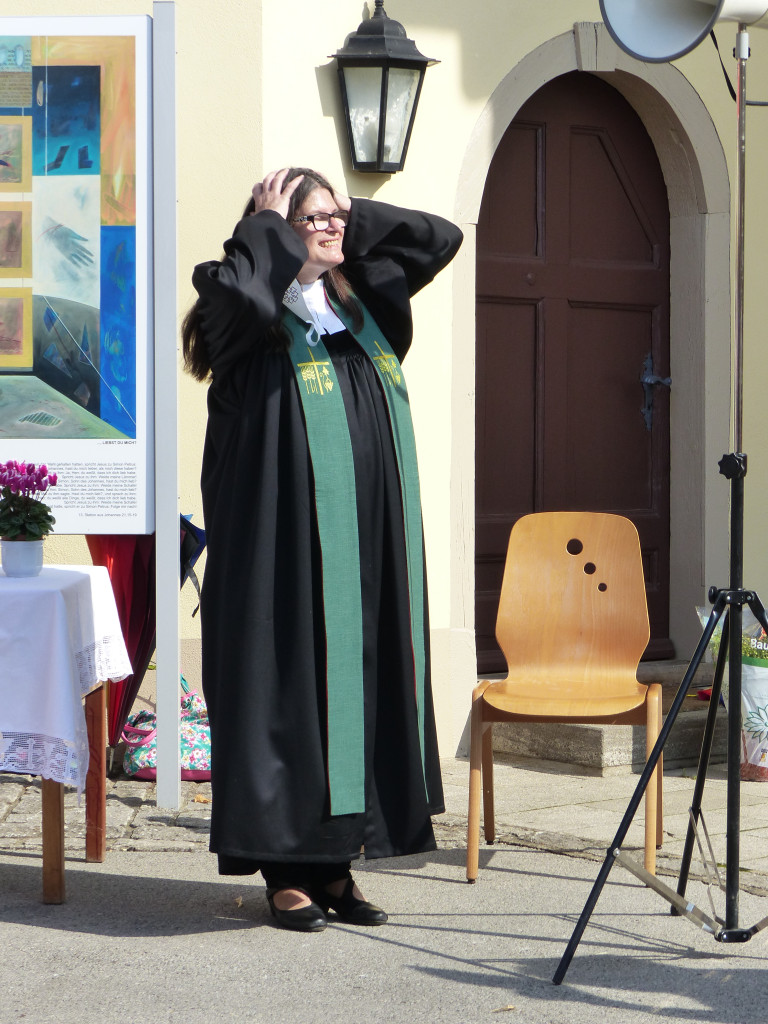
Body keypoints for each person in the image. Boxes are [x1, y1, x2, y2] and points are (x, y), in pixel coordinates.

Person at [182, 167, 463, 932]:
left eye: (339, 215)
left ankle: (337, 867)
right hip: (280, 546)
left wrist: (339, 212)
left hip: (365, 549)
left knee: (357, 690)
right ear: (271, 228)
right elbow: (242, 294)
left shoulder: (362, 305)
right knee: (290, 691)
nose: (334, 226)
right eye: (315, 218)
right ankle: (286, 872)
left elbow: (440, 237)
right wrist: (271, 227)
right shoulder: (244, 306)